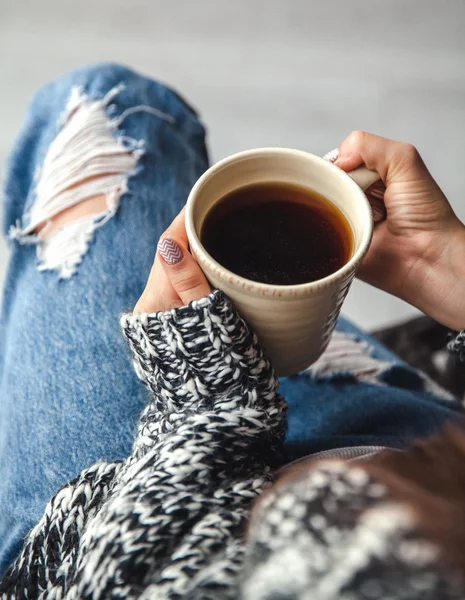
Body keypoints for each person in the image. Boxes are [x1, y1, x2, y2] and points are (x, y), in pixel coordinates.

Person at [0, 63, 464, 599]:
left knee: (107, 99)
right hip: (425, 449)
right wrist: (448, 271)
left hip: (115, 523)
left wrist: (212, 407)